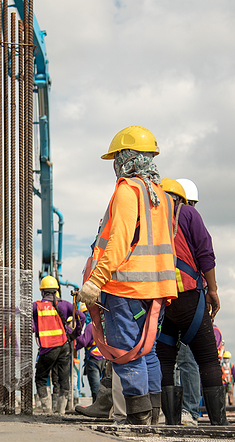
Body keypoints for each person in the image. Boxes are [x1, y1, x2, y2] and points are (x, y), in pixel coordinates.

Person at [77, 126, 177, 426]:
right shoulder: (161, 195)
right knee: (148, 354)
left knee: (127, 354)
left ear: (126, 157)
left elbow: (119, 239)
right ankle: (153, 419)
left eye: (116, 158)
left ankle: (138, 422)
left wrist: (96, 280)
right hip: (158, 291)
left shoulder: (127, 190)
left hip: (126, 287)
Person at [155, 178, 228, 426]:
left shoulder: (146, 218)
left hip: (158, 298)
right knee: (207, 357)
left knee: (165, 359)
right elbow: (205, 253)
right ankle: (219, 422)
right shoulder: (186, 213)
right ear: (181, 198)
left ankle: (172, 421)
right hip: (186, 295)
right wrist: (213, 290)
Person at [173, 178, 203, 425]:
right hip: (177, 296)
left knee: (185, 357)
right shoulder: (183, 222)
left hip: (188, 295)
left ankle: (189, 410)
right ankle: (180, 410)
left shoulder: (188, 221)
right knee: (177, 358)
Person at [33, 275, 83, 413]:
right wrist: (74, 335)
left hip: (48, 347)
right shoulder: (65, 304)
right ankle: (61, 411)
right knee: (63, 379)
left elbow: (27, 320)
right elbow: (82, 317)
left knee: (41, 378)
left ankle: (47, 410)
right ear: (56, 290)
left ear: (42, 291)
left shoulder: (36, 306)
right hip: (64, 346)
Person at [74, 302, 106, 406]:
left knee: (95, 387)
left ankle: (97, 406)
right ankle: (103, 407)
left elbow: (84, 342)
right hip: (104, 358)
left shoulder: (90, 326)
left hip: (93, 359)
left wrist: (75, 334)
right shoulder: (104, 325)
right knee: (103, 385)